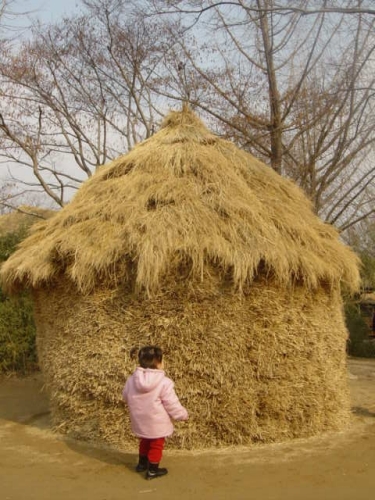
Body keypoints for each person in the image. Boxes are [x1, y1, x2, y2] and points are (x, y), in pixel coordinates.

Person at [122, 345, 189, 480]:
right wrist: (181, 414)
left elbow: (125, 396)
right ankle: (152, 470)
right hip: (156, 422)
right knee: (156, 445)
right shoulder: (164, 383)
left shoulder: (132, 380)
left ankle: (141, 464)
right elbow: (171, 403)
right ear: (158, 362)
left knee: (144, 441)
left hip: (140, 420)